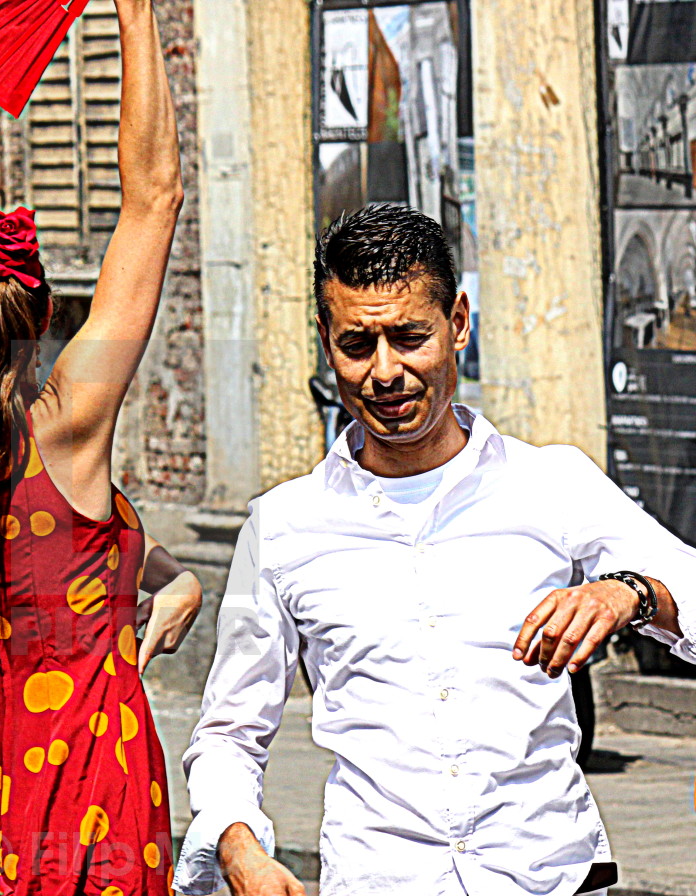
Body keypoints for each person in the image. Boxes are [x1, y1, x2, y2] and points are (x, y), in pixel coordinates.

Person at [174, 205, 696, 896]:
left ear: (457, 323)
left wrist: (629, 592)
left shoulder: (553, 483)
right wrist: (239, 845)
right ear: (326, 343)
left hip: (549, 878)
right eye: (358, 344)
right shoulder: (277, 528)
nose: (386, 372)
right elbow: (229, 730)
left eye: (410, 337)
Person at [0, 0, 200, 891]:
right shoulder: (64, 425)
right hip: (95, 781)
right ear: (44, 318)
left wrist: (178, 577)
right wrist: (136, 15)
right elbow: (153, 201)